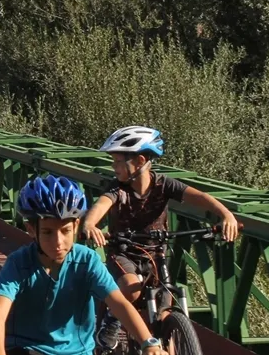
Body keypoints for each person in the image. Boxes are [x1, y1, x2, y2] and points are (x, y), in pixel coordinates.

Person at [80, 126, 240, 352]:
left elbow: (200, 197)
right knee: (132, 289)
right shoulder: (118, 188)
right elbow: (101, 205)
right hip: (124, 252)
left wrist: (226, 215)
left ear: (139, 161)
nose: (113, 167)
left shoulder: (164, 184)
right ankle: (110, 322)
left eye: (117, 161)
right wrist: (89, 224)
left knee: (166, 309)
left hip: (156, 254)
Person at [0, 174, 164, 355]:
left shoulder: (87, 261)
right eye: (48, 232)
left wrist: (148, 342)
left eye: (65, 231)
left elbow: (119, 303)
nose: (58, 242)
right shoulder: (19, 263)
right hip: (28, 349)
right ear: (31, 229)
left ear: (76, 226)